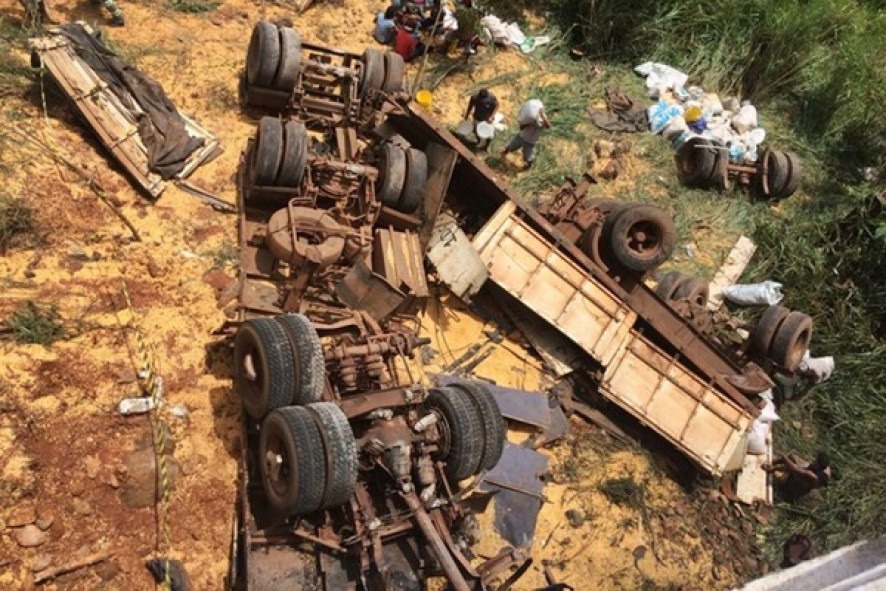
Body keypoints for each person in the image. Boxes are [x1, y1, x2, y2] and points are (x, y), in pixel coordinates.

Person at [501, 98, 550, 169]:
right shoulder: (529, 119)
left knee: (529, 157)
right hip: (521, 137)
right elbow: (521, 127)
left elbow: (548, 126)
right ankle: (504, 152)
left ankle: (528, 166)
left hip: (530, 142)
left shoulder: (542, 121)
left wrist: (542, 115)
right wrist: (529, 123)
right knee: (511, 146)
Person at [763, 451, 831, 501]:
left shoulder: (813, 476)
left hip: (800, 485)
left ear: (818, 466)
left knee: (790, 468)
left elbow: (794, 469)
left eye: (816, 461)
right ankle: (773, 461)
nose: (814, 461)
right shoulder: (825, 467)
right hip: (804, 474)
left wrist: (781, 461)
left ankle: (786, 488)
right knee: (792, 457)